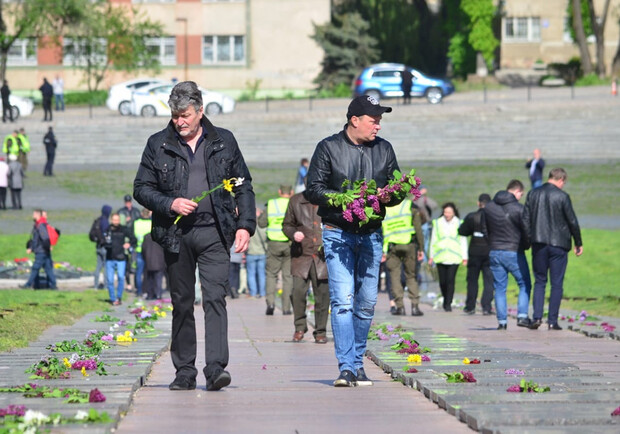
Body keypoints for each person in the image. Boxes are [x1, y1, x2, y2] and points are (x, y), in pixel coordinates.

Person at [133, 80, 256, 392]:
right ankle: (184, 371)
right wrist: (169, 202)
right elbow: (141, 188)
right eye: (175, 115)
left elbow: (243, 185)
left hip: (215, 233)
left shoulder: (224, 141)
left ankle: (215, 369)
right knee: (182, 302)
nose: (180, 121)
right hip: (176, 236)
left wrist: (245, 225)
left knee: (215, 298)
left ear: (200, 111)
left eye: (185, 114)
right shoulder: (157, 143)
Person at [306, 95, 401, 387]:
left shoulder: (384, 149)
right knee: (343, 301)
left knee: (367, 302)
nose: (378, 126)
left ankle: (358, 362)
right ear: (354, 120)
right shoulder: (328, 148)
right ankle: (347, 367)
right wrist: (340, 199)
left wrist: (390, 194)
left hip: (371, 234)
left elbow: (397, 188)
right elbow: (313, 189)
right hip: (337, 233)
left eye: (380, 120)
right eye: (374, 120)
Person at [523, 168, 583, 331]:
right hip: (559, 245)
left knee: (540, 281)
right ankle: (552, 321)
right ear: (561, 179)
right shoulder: (562, 196)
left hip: (539, 243)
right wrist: (578, 242)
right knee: (556, 283)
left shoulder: (533, 194)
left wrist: (528, 240)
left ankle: (536, 318)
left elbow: (526, 220)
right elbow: (572, 221)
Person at [282, 187, 330, 343]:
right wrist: (293, 233)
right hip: (301, 256)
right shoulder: (295, 200)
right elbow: (287, 225)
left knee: (322, 296)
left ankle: (321, 331)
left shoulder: (328, 199)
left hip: (322, 257)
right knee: (297, 293)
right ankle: (300, 327)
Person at [483, 180, 531, 330]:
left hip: (495, 252)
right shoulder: (519, 208)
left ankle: (502, 322)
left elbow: (485, 230)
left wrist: (492, 244)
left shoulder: (489, 207)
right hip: (514, 251)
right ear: (517, 191)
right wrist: (525, 246)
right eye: (521, 194)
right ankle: (522, 316)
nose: (520, 197)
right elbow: (527, 231)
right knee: (524, 284)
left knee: (499, 288)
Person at [382, 196, 425, 316]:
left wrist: (383, 250)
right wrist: (421, 248)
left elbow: (382, 229)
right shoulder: (409, 206)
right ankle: (415, 307)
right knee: (411, 276)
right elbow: (418, 229)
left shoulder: (386, 208)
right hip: (409, 244)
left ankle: (400, 307)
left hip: (392, 246)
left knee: (394, 277)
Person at [258, 185, 294, 315]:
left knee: (271, 274)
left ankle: (271, 303)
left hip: (273, 243)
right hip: (289, 244)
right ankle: (286, 308)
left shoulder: (271, 204)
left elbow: (261, 223)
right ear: (291, 192)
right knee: (288, 276)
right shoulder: (293, 203)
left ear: (279, 192)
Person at [458, 193, 494, 315]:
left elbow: (462, 231)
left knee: (472, 280)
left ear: (478, 203)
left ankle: (470, 306)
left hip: (474, 251)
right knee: (489, 280)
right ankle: (486, 306)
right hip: (489, 251)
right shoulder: (493, 217)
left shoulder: (471, 217)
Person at [429, 202, 468, 312]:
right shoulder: (437, 223)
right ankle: (445, 297)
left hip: (454, 256)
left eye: (449, 212)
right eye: (445, 212)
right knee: (442, 281)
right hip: (440, 256)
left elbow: (463, 240)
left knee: (450, 280)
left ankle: (448, 303)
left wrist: (465, 257)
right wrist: (431, 256)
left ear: (454, 212)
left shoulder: (459, 223)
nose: (447, 214)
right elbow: (433, 239)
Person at [20, 209, 57, 289]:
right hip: (42, 250)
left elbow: (45, 238)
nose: (33, 215)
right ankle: (53, 285)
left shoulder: (41, 226)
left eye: (34, 214)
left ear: (37, 215)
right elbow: (36, 239)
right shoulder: (38, 225)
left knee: (35, 268)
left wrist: (47, 247)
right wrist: (31, 248)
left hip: (41, 251)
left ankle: (28, 285)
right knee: (48, 268)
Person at [104, 213, 136, 305]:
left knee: (121, 277)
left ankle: (119, 297)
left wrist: (129, 244)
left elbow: (133, 239)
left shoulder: (123, 229)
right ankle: (113, 298)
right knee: (110, 280)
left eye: (117, 220)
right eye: (114, 220)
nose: (116, 221)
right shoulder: (108, 230)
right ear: (111, 220)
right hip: (110, 258)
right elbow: (103, 241)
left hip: (121, 258)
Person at [118, 194, 141, 291]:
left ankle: (136, 284)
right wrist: (125, 221)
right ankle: (128, 283)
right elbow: (118, 224)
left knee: (134, 262)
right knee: (127, 263)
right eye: (126, 202)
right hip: (125, 237)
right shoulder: (121, 211)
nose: (128, 203)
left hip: (134, 237)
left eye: (129, 202)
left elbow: (139, 221)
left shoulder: (136, 211)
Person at [89, 205, 112, 290]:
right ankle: (106, 286)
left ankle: (95, 285)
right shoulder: (105, 221)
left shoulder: (98, 220)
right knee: (106, 267)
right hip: (104, 247)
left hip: (98, 246)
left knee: (98, 266)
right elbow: (107, 234)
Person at [246, 208, 267, 298]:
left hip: (251, 252)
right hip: (262, 252)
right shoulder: (264, 227)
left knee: (251, 274)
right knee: (262, 274)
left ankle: (253, 293)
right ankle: (262, 293)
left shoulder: (249, 225)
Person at [413, 184, 437, 258]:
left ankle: (419, 260)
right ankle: (424, 260)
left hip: (414, 224)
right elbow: (435, 205)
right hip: (425, 224)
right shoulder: (424, 199)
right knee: (425, 243)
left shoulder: (413, 199)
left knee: (417, 243)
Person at [133, 208, 153, 297]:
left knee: (139, 271)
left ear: (141, 214)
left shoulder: (136, 223)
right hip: (149, 250)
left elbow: (135, 235)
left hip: (139, 248)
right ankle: (148, 289)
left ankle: (139, 290)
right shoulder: (151, 223)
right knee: (149, 271)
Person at [142, 233, 166, 300]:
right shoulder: (162, 236)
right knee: (158, 278)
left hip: (149, 260)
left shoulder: (146, 236)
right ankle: (158, 294)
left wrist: (145, 258)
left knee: (150, 278)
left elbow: (143, 249)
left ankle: (150, 294)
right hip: (160, 260)